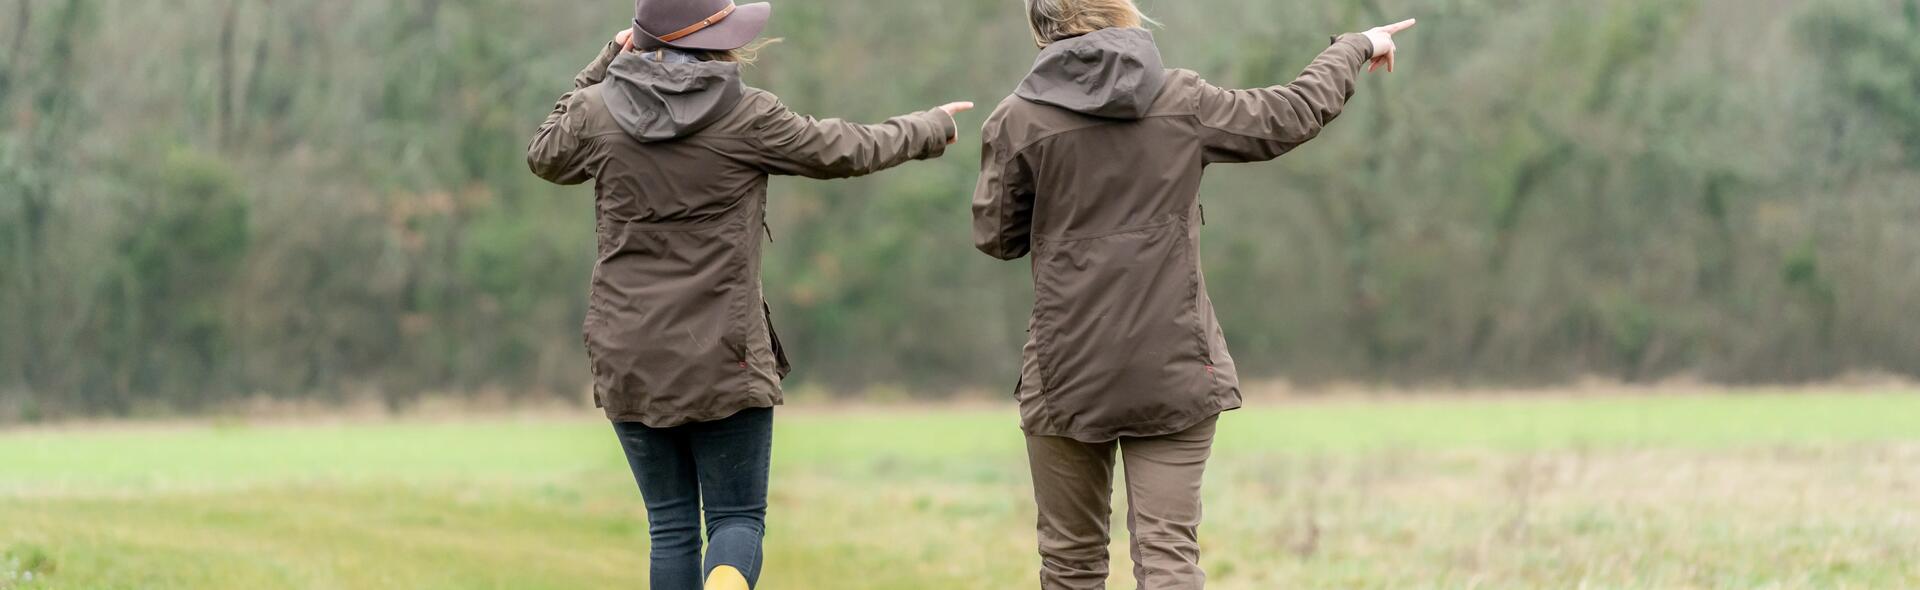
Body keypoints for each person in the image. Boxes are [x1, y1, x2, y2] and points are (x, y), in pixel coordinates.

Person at [526, 0, 971, 588]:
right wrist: (930, 125)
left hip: (628, 353)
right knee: (735, 518)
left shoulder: (595, 111)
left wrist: (609, 58)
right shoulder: (747, 115)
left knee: (670, 526)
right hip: (721, 355)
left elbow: (544, 153)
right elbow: (848, 148)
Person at [970, 1, 1415, 587]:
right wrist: (1355, 45)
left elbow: (998, 238)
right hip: (1175, 364)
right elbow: (1292, 112)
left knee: (1071, 564)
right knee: (1168, 559)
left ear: (1040, 25)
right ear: (1121, 14)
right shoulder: (1181, 100)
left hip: (1066, 373)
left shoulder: (1016, 121)